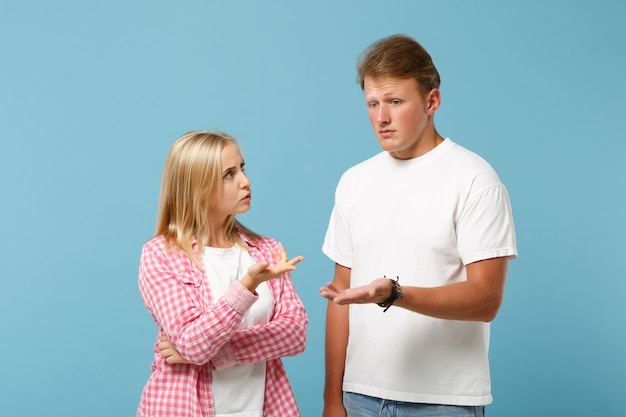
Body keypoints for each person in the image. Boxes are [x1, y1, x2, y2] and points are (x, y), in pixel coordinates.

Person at [320, 34, 517, 417]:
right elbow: (340, 297)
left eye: (395, 102)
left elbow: (486, 299)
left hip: (444, 400)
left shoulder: (475, 179)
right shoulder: (354, 181)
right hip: (360, 396)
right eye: (373, 104)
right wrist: (332, 399)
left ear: (432, 101)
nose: (381, 117)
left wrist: (394, 293)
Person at [136, 131, 308, 417]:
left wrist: (220, 353)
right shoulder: (161, 254)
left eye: (241, 168)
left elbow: (295, 333)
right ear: (197, 187)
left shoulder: (265, 250)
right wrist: (247, 285)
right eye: (229, 174)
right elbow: (192, 341)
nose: (245, 181)